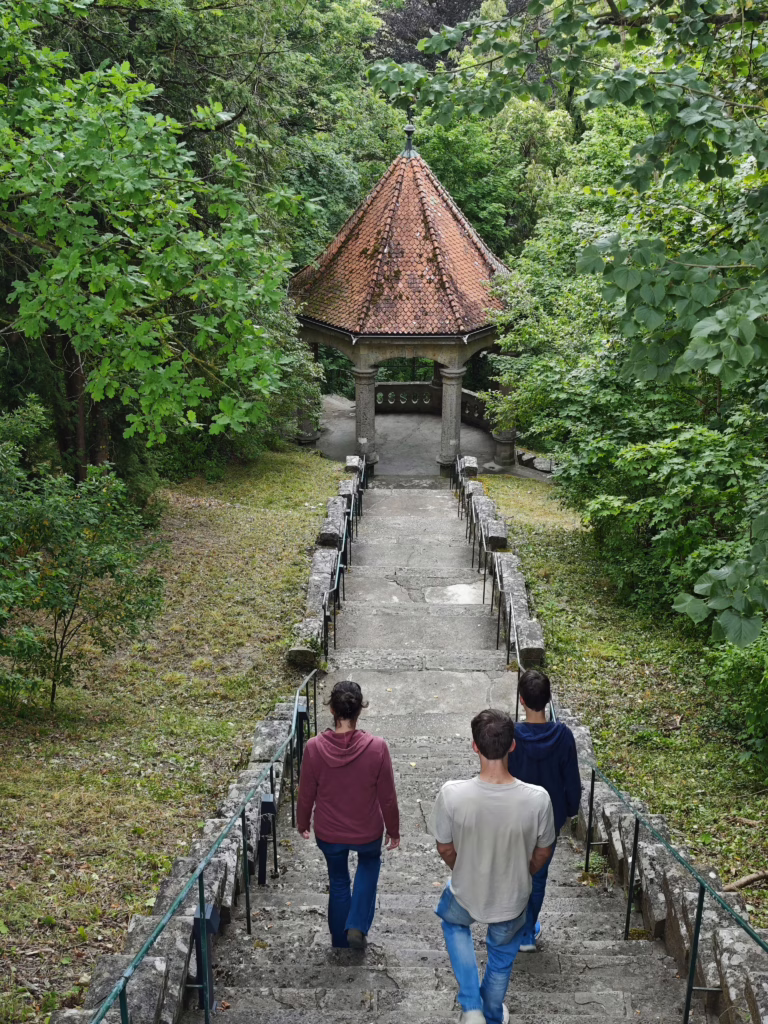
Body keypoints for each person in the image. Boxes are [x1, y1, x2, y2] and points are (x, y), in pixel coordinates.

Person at [429, 709, 555, 1024]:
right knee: (500, 958)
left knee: (453, 923)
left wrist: (464, 867)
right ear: (513, 745)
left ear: (475, 746)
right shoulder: (537, 799)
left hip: (466, 890)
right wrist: (523, 872)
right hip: (513, 897)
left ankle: (472, 1006)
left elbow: (445, 847)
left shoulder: (452, 794)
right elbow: (543, 852)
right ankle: (492, 1013)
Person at [296, 680, 400, 949]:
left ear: (332, 709)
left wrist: (303, 821)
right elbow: (387, 796)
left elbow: (306, 791)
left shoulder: (313, 748)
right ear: (359, 711)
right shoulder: (377, 748)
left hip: (330, 832)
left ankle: (341, 940)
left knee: (339, 879)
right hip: (367, 830)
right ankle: (356, 924)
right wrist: (394, 830)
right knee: (369, 863)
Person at [508, 669, 582, 951]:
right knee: (538, 875)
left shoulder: (512, 735)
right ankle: (527, 932)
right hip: (549, 819)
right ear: (549, 699)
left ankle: (510, 925)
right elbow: (571, 780)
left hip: (516, 818)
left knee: (516, 872)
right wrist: (570, 809)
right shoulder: (563, 736)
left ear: (521, 700)